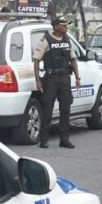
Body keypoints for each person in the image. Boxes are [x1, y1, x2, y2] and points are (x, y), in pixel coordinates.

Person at [32, 17, 81, 149]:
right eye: (63, 25)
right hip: (51, 78)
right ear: (55, 27)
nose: (66, 27)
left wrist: (77, 77)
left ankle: (64, 140)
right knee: (47, 109)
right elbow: (36, 60)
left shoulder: (67, 39)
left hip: (65, 77)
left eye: (66, 25)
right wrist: (38, 80)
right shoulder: (46, 39)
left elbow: (73, 59)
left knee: (65, 109)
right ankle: (44, 140)